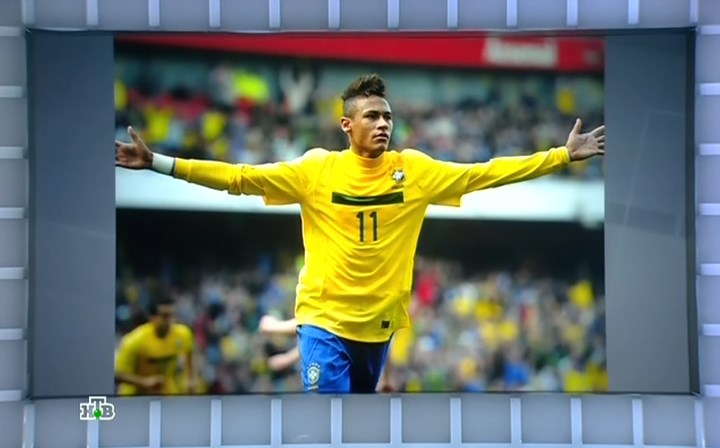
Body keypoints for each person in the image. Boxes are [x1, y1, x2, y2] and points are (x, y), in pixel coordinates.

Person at [115, 73, 605, 394]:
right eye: (372, 115)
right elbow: (239, 178)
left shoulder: (414, 171)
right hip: (323, 322)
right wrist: (159, 162)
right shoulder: (317, 170)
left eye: (388, 116)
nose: (383, 123)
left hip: (378, 330)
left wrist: (561, 156)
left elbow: (485, 173)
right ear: (346, 124)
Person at [115, 296, 198, 395]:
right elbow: (117, 375)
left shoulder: (183, 333)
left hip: (167, 394)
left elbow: (190, 355)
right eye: (164, 316)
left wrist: (191, 380)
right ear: (152, 317)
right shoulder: (134, 341)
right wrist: (144, 382)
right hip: (136, 396)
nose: (170, 321)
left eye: (172, 315)